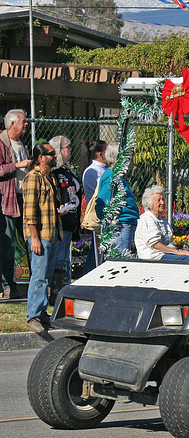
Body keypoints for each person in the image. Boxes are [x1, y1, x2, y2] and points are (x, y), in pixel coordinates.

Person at [23, 143, 62, 333]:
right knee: (38, 276)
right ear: (41, 158)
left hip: (52, 233)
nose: (55, 156)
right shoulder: (33, 178)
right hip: (41, 235)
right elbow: (30, 211)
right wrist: (34, 238)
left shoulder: (50, 178)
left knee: (46, 276)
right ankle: (33, 316)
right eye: (51, 154)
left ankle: (42, 312)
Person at [0, 109, 30, 299]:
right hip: (7, 200)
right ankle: (7, 284)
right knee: (7, 243)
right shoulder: (2, 142)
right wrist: (17, 165)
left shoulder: (21, 144)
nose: (26, 124)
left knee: (28, 240)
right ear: (13, 124)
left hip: (24, 199)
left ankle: (25, 283)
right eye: (23, 122)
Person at [48, 136, 81, 304]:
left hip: (70, 220)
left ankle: (60, 289)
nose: (70, 150)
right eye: (67, 147)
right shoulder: (55, 172)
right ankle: (55, 294)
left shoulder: (68, 170)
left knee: (64, 256)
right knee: (59, 256)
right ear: (59, 150)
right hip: (61, 220)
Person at [134, 185, 189, 262]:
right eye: (159, 200)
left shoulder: (164, 222)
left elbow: (169, 243)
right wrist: (177, 252)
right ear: (150, 204)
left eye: (163, 199)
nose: (163, 202)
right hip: (155, 257)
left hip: (167, 254)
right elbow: (155, 244)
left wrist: (180, 251)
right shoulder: (146, 219)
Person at [95, 142, 139, 257]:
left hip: (125, 222)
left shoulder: (117, 176)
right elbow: (103, 202)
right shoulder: (112, 177)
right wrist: (110, 221)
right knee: (121, 258)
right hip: (120, 224)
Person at [79, 140, 107, 273]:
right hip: (98, 215)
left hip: (106, 215)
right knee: (97, 250)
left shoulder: (103, 169)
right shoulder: (92, 171)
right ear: (100, 154)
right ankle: (88, 275)